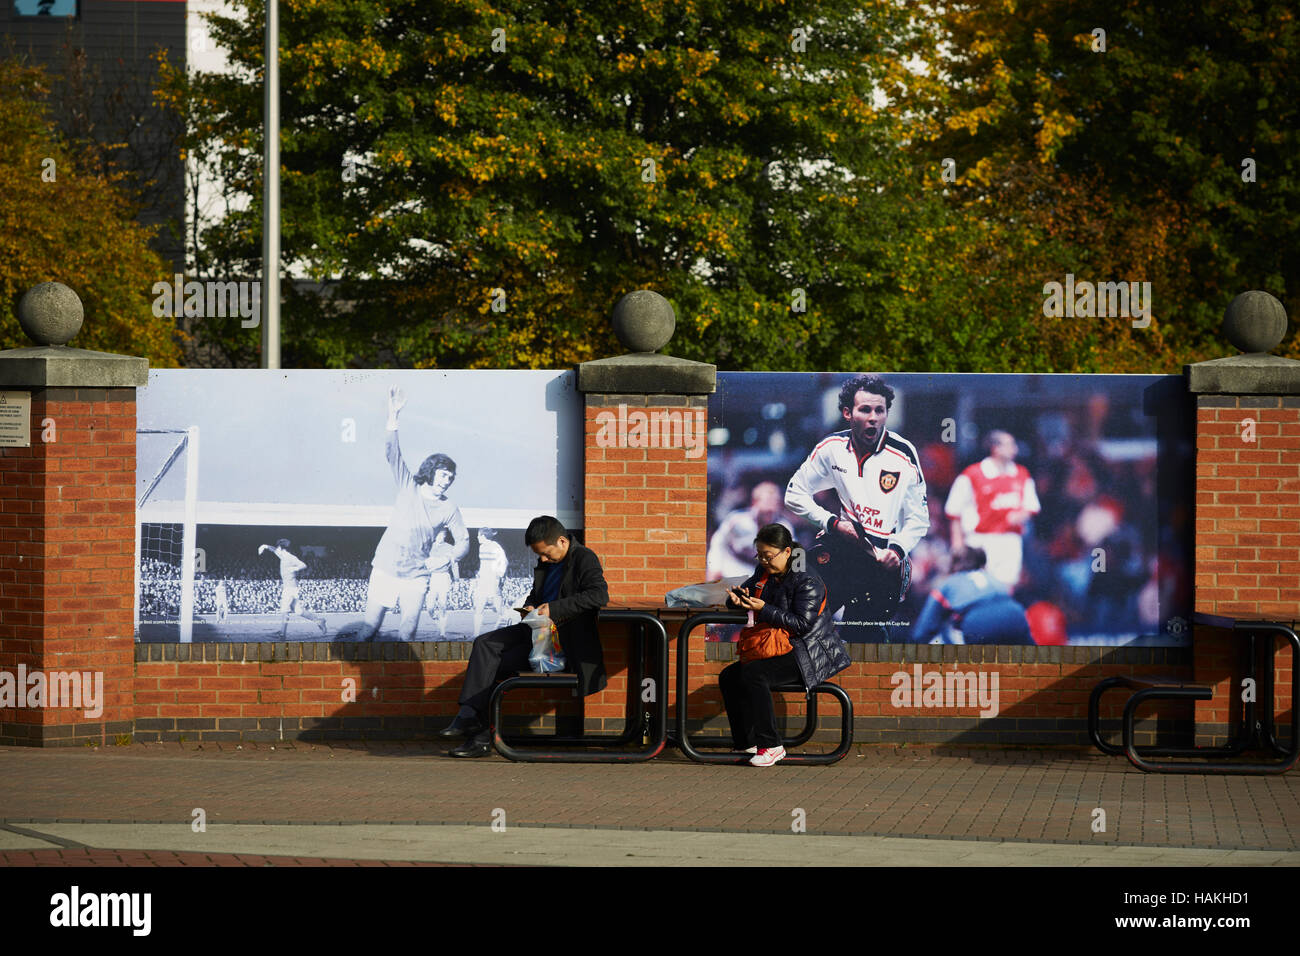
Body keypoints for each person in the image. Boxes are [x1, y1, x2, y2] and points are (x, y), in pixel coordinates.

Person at [440, 516, 609, 758]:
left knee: (492, 665)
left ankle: (477, 735)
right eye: (539, 555)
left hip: (560, 643)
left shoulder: (584, 558)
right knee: (484, 645)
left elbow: (599, 595)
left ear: (562, 541)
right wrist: (530, 606)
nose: (542, 559)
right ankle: (468, 715)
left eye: (546, 553)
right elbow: (534, 594)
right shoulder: (547, 562)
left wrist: (554, 608)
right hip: (535, 631)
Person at [784, 374, 929, 641]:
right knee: (802, 618)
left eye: (879, 410)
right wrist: (831, 523)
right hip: (840, 547)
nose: (873, 417)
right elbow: (794, 494)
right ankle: (810, 680)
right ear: (848, 413)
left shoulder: (904, 453)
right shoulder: (831, 448)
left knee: (862, 638)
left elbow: (919, 518)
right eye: (865, 409)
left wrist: (897, 549)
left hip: (884, 561)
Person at [721, 524, 849, 767]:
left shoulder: (807, 579)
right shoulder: (764, 571)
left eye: (768, 556)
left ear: (787, 552)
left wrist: (764, 609)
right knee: (729, 676)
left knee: (753, 674)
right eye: (759, 555)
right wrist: (736, 600)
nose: (763, 561)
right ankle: (748, 742)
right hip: (785, 647)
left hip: (810, 653)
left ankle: (771, 745)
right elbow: (748, 592)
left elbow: (802, 624)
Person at [347, 385, 468, 641]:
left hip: (417, 573)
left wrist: (446, 560)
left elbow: (463, 542)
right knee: (369, 628)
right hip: (386, 566)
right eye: (444, 474)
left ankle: (397, 679)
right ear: (432, 471)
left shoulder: (449, 508)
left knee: (409, 629)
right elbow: (393, 454)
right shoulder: (408, 486)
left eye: (451, 477)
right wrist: (393, 417)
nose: (447, 480)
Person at [945, 429, 1040, 593]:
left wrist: (1020, 515)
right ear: (995, 448)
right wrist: (957, 544)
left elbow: (1032, 506)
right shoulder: (972, 474)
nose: (1015, 449)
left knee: (1006, 590)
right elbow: (954, 510)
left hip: (1009, 540)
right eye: (1010, 445)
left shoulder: (1021, 474)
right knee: (978, 589)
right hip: (980, 540)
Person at [909, 547, 1032, 644]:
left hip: (979, 621)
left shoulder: (947, 583)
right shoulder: (992, 576)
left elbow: (924, 629)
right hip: (1015, 613)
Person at [705, 481, 796, 581]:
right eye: (767, 501)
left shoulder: (784, 528)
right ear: (755, 502)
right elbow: (718, 543)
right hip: (730, 571)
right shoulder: (737, 520)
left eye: (775, 502)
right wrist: (714, 568)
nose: (769, 511)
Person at [258, 539, 328, 638]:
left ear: (281, 548)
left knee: (284, 609)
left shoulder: (290, 557)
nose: (277, 549)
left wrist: (294, 568)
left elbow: (303, 565)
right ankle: (319, 620)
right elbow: (273, 550)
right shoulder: (283, 555)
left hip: (289, 587)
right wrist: (264, 546)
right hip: (292, 587)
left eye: (278, 547)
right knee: (298, 610)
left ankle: (282, 633)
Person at [471, 527, 510, 635]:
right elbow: (484, 565)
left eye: (478, 535)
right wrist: (479, 574)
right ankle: (475, 634)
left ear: (483, 536)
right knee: (479, 608)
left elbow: (504, 562)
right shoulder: (482, 547)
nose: (477, 537)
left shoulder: (496, 547)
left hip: (492, 581)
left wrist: (498, 575)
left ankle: (508, 626)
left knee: (498, 608)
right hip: (483, 581)